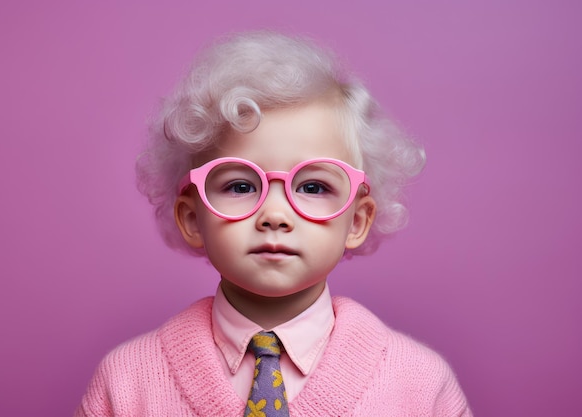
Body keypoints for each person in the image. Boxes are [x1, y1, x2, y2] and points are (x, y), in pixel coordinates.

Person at [75, 31, 472, 416]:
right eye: (242, 185)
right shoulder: (126, 382)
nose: (276, 216)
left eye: (313, 186)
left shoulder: (419, 384)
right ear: (193, 217)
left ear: (357, 219)